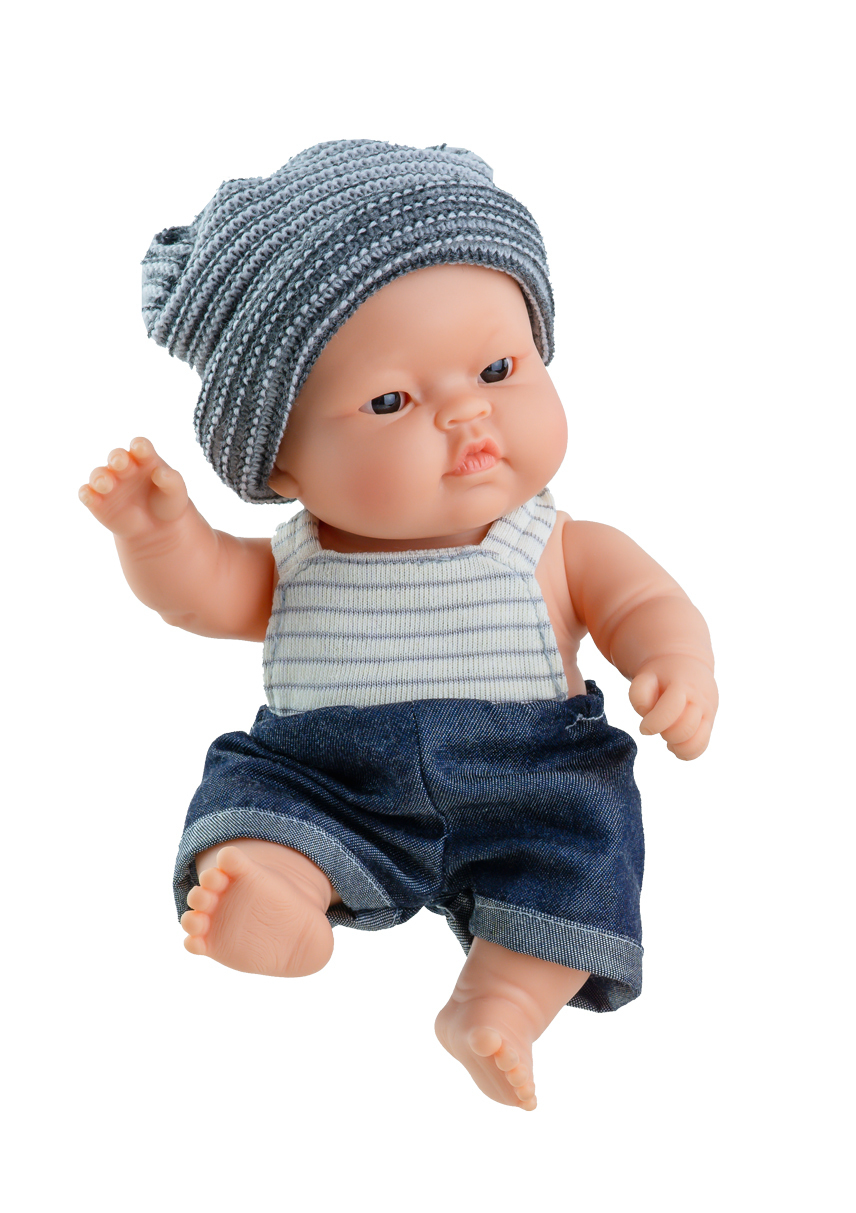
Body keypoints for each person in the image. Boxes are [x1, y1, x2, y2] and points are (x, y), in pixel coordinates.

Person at [80, 140, 717, 1111]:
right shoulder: (294, 560)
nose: (468, 415)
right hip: (329, 774)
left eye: (497, 367)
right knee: (257, 801)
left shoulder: (557, 545)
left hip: (532, 775)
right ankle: (276, 890)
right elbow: (202, 594)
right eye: (390, 401)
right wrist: (158, 533)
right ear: (281, 464)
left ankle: (500, 1000)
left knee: (584, 846)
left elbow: (643, 602)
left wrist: (673, 664)